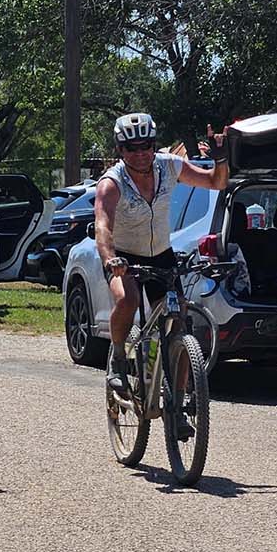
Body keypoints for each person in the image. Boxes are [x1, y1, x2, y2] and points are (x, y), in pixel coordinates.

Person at [95, 112, 230, 395]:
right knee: (128, 299)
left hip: (161, 255)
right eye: (132, 148)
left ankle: (178, 402)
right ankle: (118, 358)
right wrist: (110, 260)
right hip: (124, 256)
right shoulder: (112, 182)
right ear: (120, 150)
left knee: (178, 322)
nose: (141, 153)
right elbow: (103, 225)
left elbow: (215, 183)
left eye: (147, 146)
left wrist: (220, 159)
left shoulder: (169, 167)